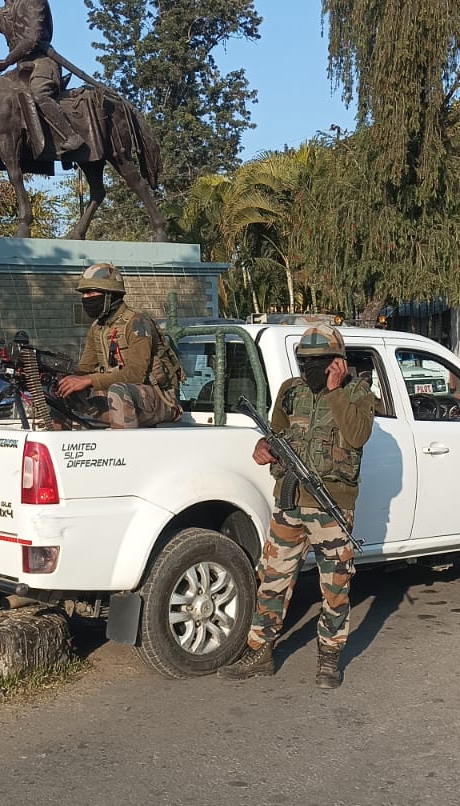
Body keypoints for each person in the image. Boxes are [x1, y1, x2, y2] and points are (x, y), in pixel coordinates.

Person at [220, 324, 377, 689]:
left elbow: (357, 436)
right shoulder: (291, 391)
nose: (310, 368)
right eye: (304, 360)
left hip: (331, 505)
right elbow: (274, 433)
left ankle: (329, 656)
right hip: (289, 502)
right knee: (272, 579)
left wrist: (335, 391)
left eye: (320, 361)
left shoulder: (358, 393)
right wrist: (263, 448)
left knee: (335, 586)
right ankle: (259, 653)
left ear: (338, 362)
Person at [54, 262, 182, 429]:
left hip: (161, 400)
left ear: (110, 295)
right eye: (84, 293)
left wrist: (89, 380)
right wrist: (62, 377)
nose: (86, 298)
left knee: (119, 390)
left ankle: (123, 445)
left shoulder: (137, 322)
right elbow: (84, 369)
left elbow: (136, 374)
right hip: (123, 399)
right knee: (61, 393)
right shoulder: (98, 328)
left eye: (91, 292)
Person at [0, 0, 86, 153]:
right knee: (1, 96)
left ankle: (72, 135)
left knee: (39, 94)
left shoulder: (34, 2)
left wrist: (7, 61)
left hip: (42, 62)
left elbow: (32, 39)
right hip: (21, 68)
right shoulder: (3, 14)